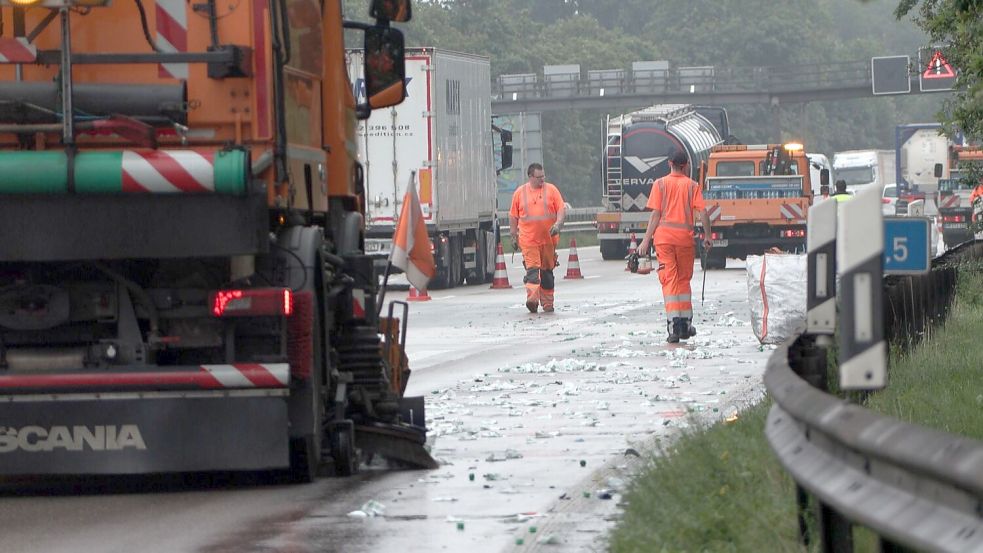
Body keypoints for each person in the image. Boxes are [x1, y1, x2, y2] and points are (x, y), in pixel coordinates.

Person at [638, 150, 713, 343]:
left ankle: (673, 328)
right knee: (683, 281)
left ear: (669, 163)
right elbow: (703, 212)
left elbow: (655, 215)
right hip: (685, 241)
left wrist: (646, 241)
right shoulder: (692, 186)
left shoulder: (660, 184)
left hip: (663, 241)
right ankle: (686, 325)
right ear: (686, 165)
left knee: (669, 281)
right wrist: (707, 235)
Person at [509, 163, 566, 313]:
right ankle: (532, 300)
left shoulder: (552, 190)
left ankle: (547, 304)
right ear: (530, 177)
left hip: (548, 241)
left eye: (543, 177)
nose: (542, 180)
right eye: (539, 177)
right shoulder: (520, 193)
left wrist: (558, 224)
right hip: (529, 241)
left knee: (547, 274)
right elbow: (513, 216)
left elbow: (561, 209)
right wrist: (513, 236)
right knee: (533, 272)